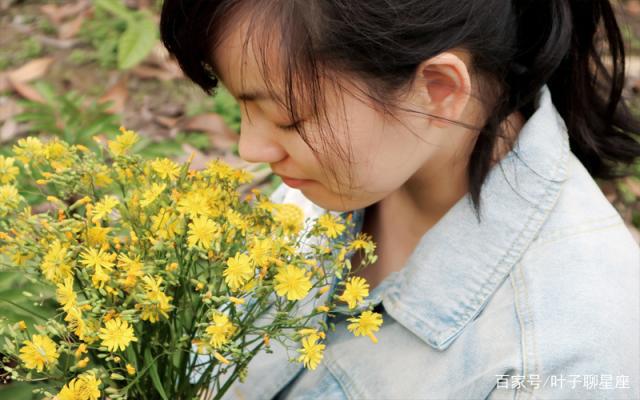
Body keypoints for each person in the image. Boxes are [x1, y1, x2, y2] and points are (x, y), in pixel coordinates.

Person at [160, 1, 640, 399]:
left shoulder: (559, 362)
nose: (251, 149)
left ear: (438, 90)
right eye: (243, 106)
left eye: (287, 117)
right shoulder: (358, 169)